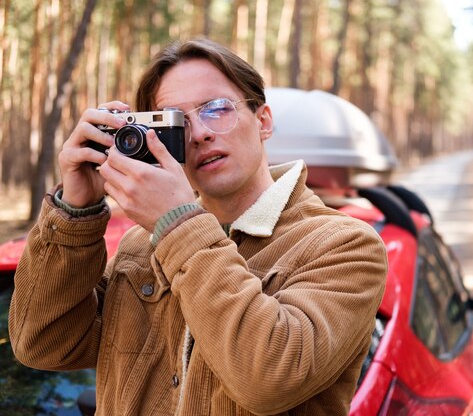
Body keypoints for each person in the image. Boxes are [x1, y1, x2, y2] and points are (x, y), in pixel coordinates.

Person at [9, 38, 387, 415]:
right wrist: (76, 211)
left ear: (263, 122)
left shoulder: (346, 245)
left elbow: (268, 380)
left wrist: (176, 224)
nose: (200, 134)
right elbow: (41, 343)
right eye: (177, 121)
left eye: (216, 109)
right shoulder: (141, 245)